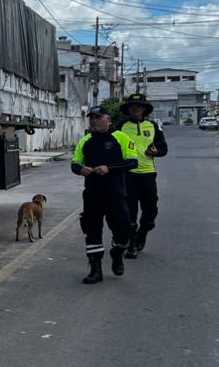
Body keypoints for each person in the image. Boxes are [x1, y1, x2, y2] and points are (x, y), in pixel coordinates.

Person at [71, 106, 138, 284]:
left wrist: (110, 169)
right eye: (92, 118)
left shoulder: (122, 138)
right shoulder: (85, 141)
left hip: (116, 193)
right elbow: (75, 163)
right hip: (92, 194)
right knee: (92, 231)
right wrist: (80, 169)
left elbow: (133, 162)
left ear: (109, 119)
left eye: (99, 117)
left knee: (124, 230)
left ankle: (118, 253)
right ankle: (95, 270)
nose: (94, 121)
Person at [114, 93, 168, 258]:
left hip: (148, 174)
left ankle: (142, 233)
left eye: (139, 106)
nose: (136, 109)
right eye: (132, 106)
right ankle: (131, 245)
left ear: (144, 109)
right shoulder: (120, 127)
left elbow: (163, 149)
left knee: (151, 211)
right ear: (128, 109)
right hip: (127, 175)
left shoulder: (153, 126)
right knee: (129, 212)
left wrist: (156, 152)